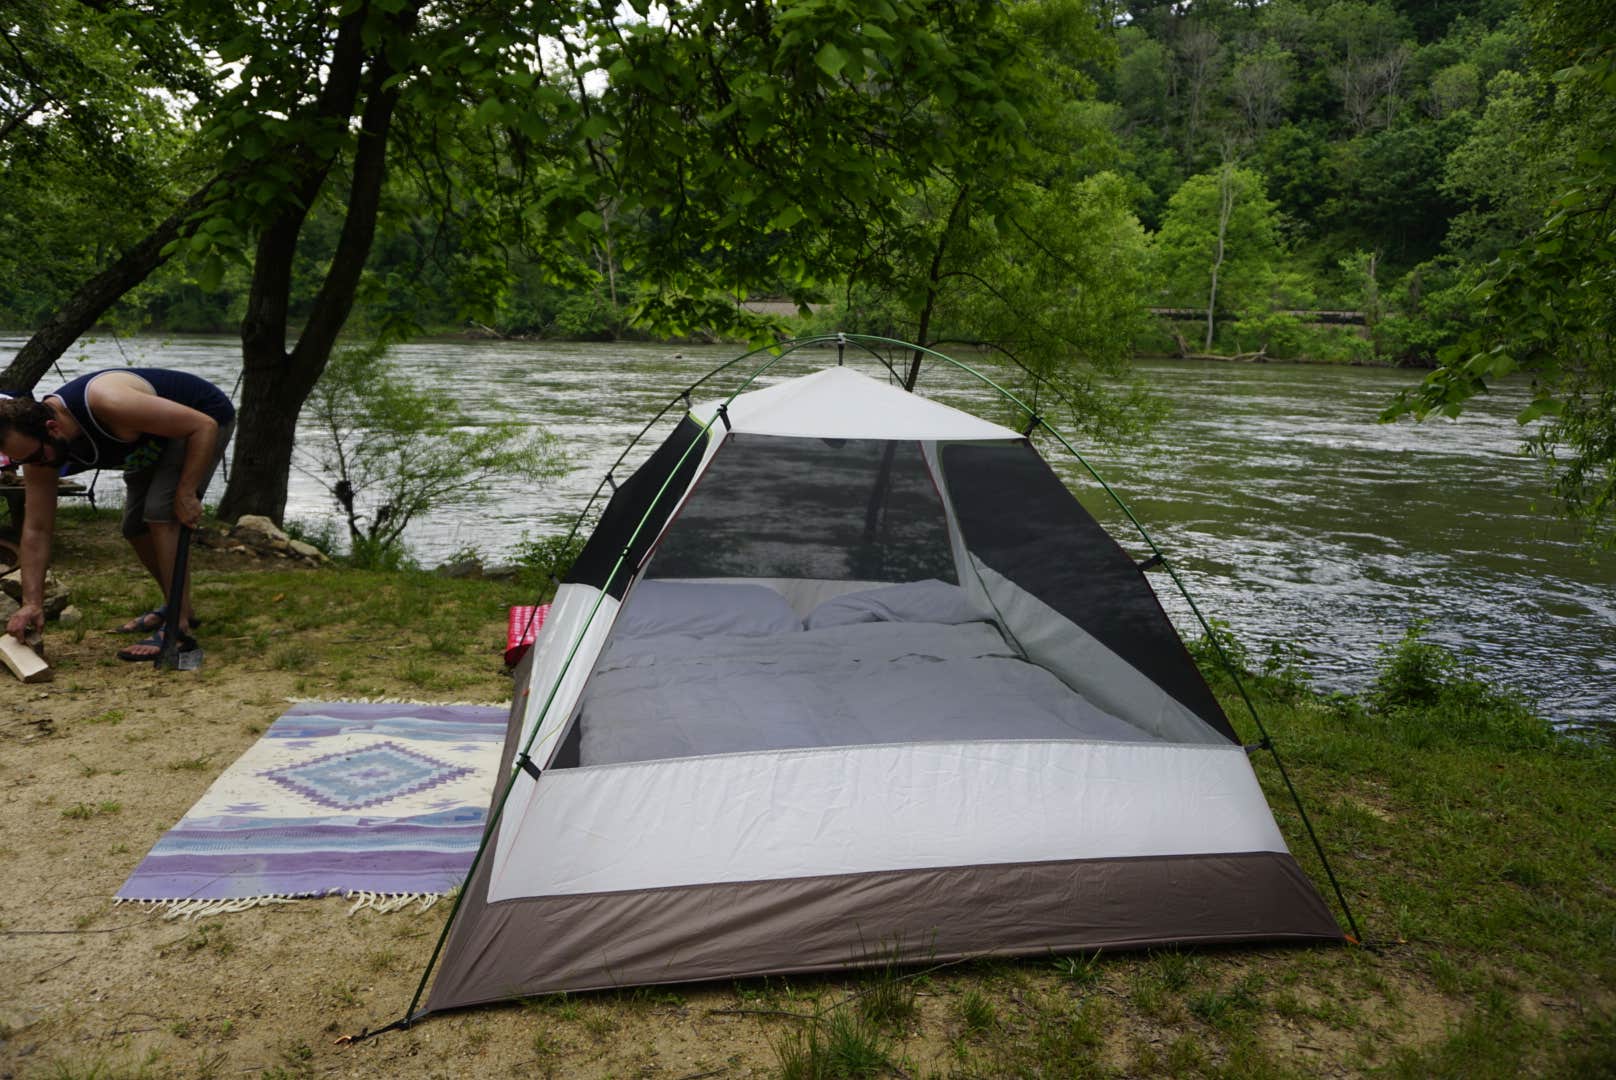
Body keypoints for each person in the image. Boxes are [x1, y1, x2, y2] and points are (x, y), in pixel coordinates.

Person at [0, 369, 235, 661]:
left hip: (199, 420)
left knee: (160, 513)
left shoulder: (109, 402)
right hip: (151, 436)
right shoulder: (38, 450)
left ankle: (179, 626)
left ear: (53, 428)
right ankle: (176, 606)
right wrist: (31, 603)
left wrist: (187, 492)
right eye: (22, 460)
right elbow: (37, 529)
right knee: (135, 527)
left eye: (36, 457)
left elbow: (203, 426)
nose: (34, 465)